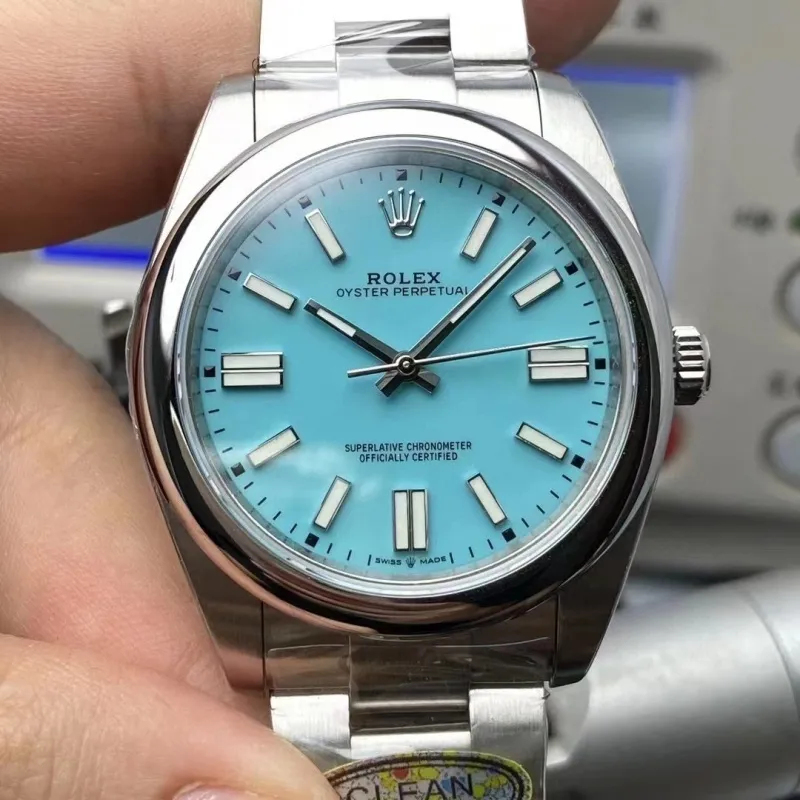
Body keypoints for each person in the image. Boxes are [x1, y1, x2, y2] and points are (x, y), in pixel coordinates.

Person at [0, 2, 619, 798]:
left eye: (408, 364)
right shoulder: (255, 121)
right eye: (399, 364)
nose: (404, 367)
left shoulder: (265, 128)